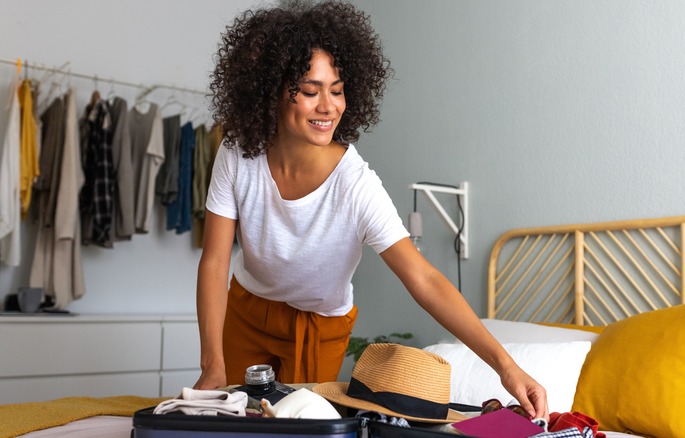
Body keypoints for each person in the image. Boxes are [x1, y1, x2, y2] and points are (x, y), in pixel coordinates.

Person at [193, 0, 549, 420]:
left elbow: (425, 279)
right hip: (248, 310)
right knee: (232, 424)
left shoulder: (356, 185)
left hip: (320, 326)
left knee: (300, 426)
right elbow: (215, 261)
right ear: (270, 92)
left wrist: (506, 367)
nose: (328, 106)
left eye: (337, 90)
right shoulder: (238, 152)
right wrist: (211, 364)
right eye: (310, 91)